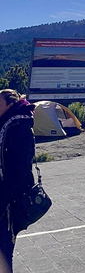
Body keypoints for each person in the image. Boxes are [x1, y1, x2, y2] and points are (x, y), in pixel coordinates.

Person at [0, 89, 35, 272]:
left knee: (3, 251)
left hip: (8, 202)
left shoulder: (20, 128)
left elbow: (18, 172)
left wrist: (3, 202)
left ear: (10, 105)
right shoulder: (5, 124)